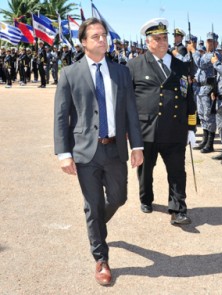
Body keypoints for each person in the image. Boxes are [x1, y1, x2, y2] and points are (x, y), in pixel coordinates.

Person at [53, 17, 144, 286]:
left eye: (104, 35)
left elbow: (130, 112)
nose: (102, 39)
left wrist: (136, 146)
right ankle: (101, 257)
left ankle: (96, 227)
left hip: (114, 149)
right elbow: (61, 117)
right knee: (93, 206)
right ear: (83, 43)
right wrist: (63, 153)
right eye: (95, 36)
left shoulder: (120, 72)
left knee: (119, 197)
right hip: (85, 153)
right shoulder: (69, 73)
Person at [127, 18, 197, 224]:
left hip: (175, 129)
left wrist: (191, 127)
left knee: (177, 171)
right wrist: (127, 128)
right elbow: (127, 101)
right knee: (145, 169)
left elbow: (188, 97)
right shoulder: (135, 65)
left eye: (165, 38)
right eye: (157, 39)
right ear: (148, 42)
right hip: (146, 129)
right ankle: (146, 198)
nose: (163, 42)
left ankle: (178, 208)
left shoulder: (181, 66)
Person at [192, 32, 219, 153]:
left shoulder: (213, 55)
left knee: (209, 116)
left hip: (209, 88)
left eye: (212, 42)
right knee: (202, 116)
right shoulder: (206, 54)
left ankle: (210, 142)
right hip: (201, 89)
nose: (209, 43)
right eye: (208, 41)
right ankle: (205, 139)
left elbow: (200, 63)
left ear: (216, 43)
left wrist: (194, 50)